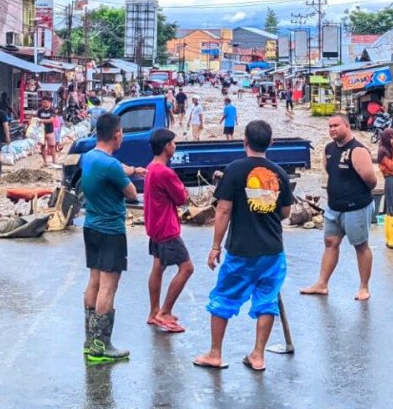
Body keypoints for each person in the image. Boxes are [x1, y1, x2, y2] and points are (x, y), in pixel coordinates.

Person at [194, 119, 294, 372]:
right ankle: (258, 355)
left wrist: (215, 246)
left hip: (241, 249)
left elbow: (224, 211)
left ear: (244, 141)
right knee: (267, 300)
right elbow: (285, 212)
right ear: (270, 143)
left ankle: (215, 353)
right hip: (272, 249)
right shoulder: (279, 173)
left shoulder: (234, 171)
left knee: (224, 298)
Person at [80, 113, 146, 363]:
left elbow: (118, 168)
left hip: (92, 227)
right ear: (117, 135)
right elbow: (130, 192)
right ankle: (101, 347)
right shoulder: (110, 166)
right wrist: (131, 178)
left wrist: (134, 169)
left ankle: (90, 342)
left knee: (94, 281)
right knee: (109, 285)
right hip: (110, 230)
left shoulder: (90, 157)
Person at [301, 115, 380, 301]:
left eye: (336, 125)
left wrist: (355, 194)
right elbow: (331, 172)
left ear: (347, 126)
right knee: (330, 243)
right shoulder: (329, 149)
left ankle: (364, 287)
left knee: (360, 246)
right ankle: (322, 284)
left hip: (356, 208)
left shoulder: (358, 150)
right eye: (329, 126)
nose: (332, 129)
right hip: (333, 207)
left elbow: (371, 180)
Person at [144, 129, 194, 333]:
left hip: (154, 227)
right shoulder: (165, 172)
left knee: (158, 267)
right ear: (166, 146)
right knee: (187, 268)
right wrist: (184, 190)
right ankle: (165, 311)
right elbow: (181, 198)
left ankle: (153, 311)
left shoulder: (151, 168)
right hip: (167, 228)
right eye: (174, 143)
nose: (175, 147)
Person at [37, 96, 57, 168]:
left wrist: (42, 120)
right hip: (41, 132)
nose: (43, 104)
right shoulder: (40, 111)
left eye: (45, 102)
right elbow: (37, 119)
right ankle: (45, 161)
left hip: (50, 131)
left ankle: (54, 160)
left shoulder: (52, 110)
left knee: (52, 146)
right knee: (43, 146)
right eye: (42, 102)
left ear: (49, 103)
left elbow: (51, 120)